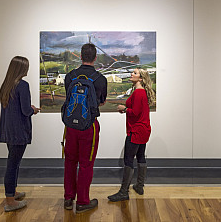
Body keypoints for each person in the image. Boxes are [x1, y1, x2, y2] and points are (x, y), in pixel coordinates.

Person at [63, 43, 107, 213]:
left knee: (70, 162)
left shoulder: (70, 76)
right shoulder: (100, 79)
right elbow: (101, 102)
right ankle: (82, 201)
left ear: (80, 56)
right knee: (86, 163)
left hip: (70, 126)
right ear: (95, 57)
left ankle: (68, 198)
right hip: (90, 126)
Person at [0, 56, 40, 212]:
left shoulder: (6, 85)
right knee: (13, 165)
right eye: (26, 67)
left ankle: (13, 192)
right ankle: (10, 200)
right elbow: (25, 110)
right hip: (18, 131)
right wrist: (33, 110)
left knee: (13, 162)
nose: (28, 69)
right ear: (22, 69)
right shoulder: (22, 85)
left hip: (9, 130)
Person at [108, 68, 155, 202]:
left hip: (136, 130)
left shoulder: (139, 93)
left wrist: (124, 109)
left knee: (128, 160)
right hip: (143, 129)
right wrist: (127, 109)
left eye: (135, 73)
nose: (131, 74)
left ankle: (124, 192)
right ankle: (139, 186)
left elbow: (135, 112)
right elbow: (137, 111)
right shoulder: (141, 92)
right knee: (140, 156)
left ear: (140, 79)